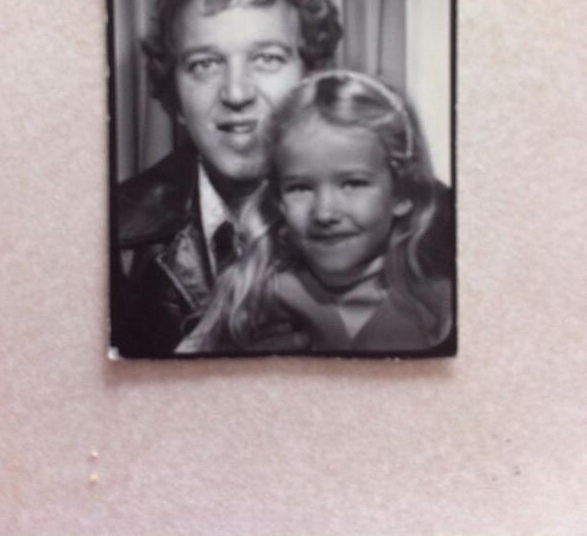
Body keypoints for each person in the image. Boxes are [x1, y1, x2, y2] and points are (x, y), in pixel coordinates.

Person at [111, 0, 343, 357]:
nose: (236, 93)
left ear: (312, 78)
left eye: (267, 58)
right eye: (205, 64)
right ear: (174, 94)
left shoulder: (413, 222)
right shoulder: (112, 233)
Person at [177, 70, 455, 355]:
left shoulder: (442, 307)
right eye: (300, 188)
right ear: (278, 199)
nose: (324, 213)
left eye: (352, 184)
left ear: (403, 192)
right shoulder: (251, 297)